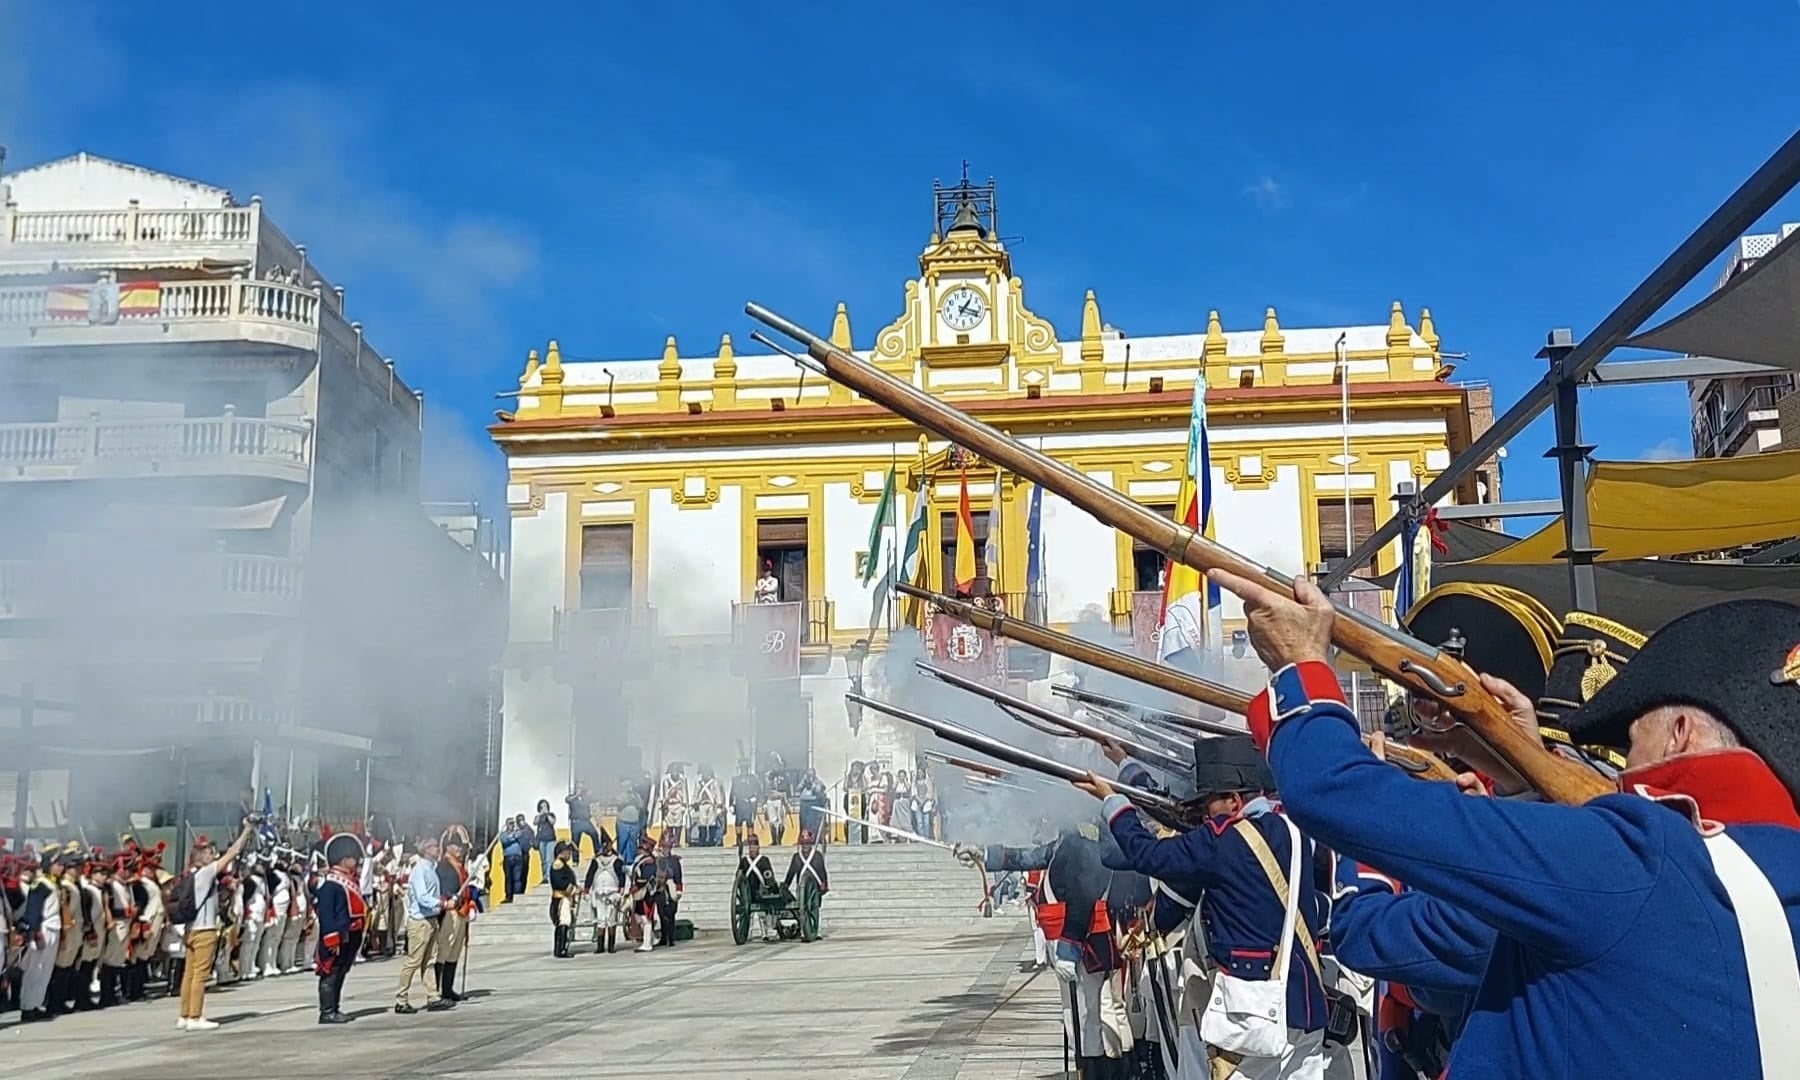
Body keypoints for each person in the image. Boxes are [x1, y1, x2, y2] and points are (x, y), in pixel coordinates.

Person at [1213, 569, 1800, 1078]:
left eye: (1631, 738)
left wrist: (1301, 667)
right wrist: (1522, 765)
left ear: (1682, 735)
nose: (1622, 763)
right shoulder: (1768, 865)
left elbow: (1332, 790)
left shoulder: (1633, 860)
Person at [1079, 734, 1330, 1080]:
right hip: (1307, 1007)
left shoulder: (1221, 842)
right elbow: (1179, 815)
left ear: (1232, 800)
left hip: (1251, 1011)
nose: (1202, 813)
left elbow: (1146, 854)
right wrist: (1126, 765)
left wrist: (1113, 803)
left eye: (1208, 802)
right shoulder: (1296, 830)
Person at [172, 819, 254, 1031]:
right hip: (205, 929)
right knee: (201, 974)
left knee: (189, 974)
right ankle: (196, 1016)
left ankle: (185, 1014)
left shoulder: (190, 875)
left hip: (191, 929)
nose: (213, 855)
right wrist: (247, 829)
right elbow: (233, 852)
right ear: (200, 857)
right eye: (209, 852)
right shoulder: (206, 872)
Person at [393, 837, 453, 1015]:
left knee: (430, 961)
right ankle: (401, 998)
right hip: (420, 921)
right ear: (427, 849)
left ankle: (433, 996)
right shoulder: (420, 870)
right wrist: (441, 904)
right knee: (414, 961)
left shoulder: (432, 869)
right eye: (435, 846)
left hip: (431, 919)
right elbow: (422, 897)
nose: (438, 849)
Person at [313, 833, 366, 1025]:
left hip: (349, 935)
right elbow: (327, 915)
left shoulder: (348, 881)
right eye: (353, 857)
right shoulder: (331, 885)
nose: (356, 861)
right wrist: (331, 938)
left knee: (341, 971)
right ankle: (327, 1011)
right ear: (344, 860)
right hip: (336, 936)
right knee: (331, 973)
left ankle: (334, 1008)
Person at [435, 835, 473, 1003]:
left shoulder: (460, 866)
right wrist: (452, 898)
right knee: (444, 949)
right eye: (456, 846)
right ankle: (436, 990)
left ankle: (448, 988)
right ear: (448, 847)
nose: (460, 849)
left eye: (461, 846)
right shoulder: (444, 866)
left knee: (455, 951)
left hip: (462, 911)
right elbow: (445, 888)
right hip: (450, 911)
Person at [582, 833, 628, 954]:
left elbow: (621, 876)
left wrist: (621, 889)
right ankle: (600, 946)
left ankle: (611, 946)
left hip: (612, 893)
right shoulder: (596, 860)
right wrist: (586, 889)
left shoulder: (617, 860)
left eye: (606, 845)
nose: (605, 848)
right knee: (601, 919)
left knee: (611, 919)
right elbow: (590, 875)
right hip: (599, 894)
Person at [783, 828, 830, 938]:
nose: (805, 846)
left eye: (807, 843)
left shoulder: (817, 856)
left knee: (816, 909)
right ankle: (804, 932)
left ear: (811, 844)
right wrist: (786, 885)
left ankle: (816, 931)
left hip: (814, 888)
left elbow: (822, 871)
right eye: (803, 843)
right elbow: (791, 873)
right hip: (802, 888)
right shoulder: (796, 857)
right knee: (802, 909)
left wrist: (824, 884)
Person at [739, 835, 781, 942]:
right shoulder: (744, 861)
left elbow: (769, 876)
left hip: (761, 891)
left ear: (758, 847)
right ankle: (747, 932)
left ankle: (765, 932)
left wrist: (773, 888)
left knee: (763, 913)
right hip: (748, 893)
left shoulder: (764, 860)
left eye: (754, 846)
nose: (752, 849)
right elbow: (739, 877)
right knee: (749, 915)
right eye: (750, 846)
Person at [627, 838, 660, 953]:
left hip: (646, 893)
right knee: (638, 917)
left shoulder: (649, 861)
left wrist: (635, 888)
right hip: (640, 892)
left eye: (641, 848)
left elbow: (644, 878)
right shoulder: (641, 860)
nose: (638, 850)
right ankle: (652, 938)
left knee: (646, 918)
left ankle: (647, 944)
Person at [547, 841, 579, 958]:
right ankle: (560, 950)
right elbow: (560, 882)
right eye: (568, 852)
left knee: (564, 922)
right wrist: (573, 889)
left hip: (565, 897)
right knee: (563, 921)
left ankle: (561, 948)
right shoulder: (558, 864)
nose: (569, 855)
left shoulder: (562, 864)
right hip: (561, 898)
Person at [654, 833, 684, 948]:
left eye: (668, 847)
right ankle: (663, 937)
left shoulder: (674, 861)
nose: (666, 849)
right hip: (661, 888)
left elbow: (678, 876)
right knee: (661, 913)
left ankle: (671, 938)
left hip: (671, 886)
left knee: (671, 913)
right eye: (664, 846)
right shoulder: (658, 860)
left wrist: (679, 889)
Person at [566, 783, 604, 864]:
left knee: (594, 834)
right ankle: (575, 861)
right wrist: (576, 795)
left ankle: (598, 854)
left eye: (581, 787)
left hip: (586, 821)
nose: (580, 789)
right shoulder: (571, 797)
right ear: (575, 788)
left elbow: (595, 802)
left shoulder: (586, 798)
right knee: (575, 842)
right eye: (578, 787)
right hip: (576, 823)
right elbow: (567, 800)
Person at [729, 760, 761, 846]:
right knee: (738, 822)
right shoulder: (735, 779)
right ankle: (738, 840)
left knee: (749, 823)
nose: (743, 770)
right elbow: (732, 792)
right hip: (739, 803)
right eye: (742, 768)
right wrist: (731, 804)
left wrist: (755, 798)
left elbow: (758, 790)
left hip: (749, 803)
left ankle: (750, 840)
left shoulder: (753, 778)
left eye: (745, 768)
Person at [692, 766, 724, 847]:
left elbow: (717, 794)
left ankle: (711, 839)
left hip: (711, 805)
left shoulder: (714, 782)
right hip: (702, 805)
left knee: (711, 823)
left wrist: (719, 804)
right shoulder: (698, 783)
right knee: (702, 823)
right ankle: (702, 839)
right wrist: (694, 802)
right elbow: (695, 793)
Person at [796, 769, 828, 840]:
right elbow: (798, 789)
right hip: (804, 804)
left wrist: (814, 785)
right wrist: (803, 782)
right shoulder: (804, 782)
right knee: (804, 823)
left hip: (813, 804)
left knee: (811, 823)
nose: (809, 776)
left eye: (811, 775)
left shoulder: (818, 782)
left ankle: (811, 839)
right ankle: (806, 838)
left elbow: (819, 790)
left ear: (814, 775)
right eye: (808, 775)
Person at [532, 800, 558, 886]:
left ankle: (548, 877)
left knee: (549, 860)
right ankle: (544, 877)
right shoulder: (538, 816)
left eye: (545, 806)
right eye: (542, 806)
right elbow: (535, 822)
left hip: (550, 840)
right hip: (541, 840)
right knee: (543, 860)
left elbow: (552, 822)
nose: (544, 807)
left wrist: (547, 814)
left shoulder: (551, 815)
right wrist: (540, 814)